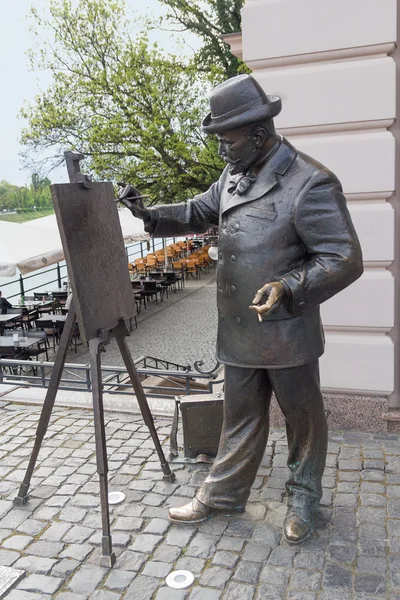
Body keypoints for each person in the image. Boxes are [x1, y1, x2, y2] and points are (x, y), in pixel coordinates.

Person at [119, 74, 363, 544]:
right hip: (238, 330)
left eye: (226, 140)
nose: (221, 150)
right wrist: (148, 214)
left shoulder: (310, 182)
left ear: (257, 133)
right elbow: (196, 210)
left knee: (302, 419)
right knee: (240, 415)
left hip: (287, 330)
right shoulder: (233, 175)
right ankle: (224, 495)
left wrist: (290, 286)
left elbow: (343, 258)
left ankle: (304, 497)